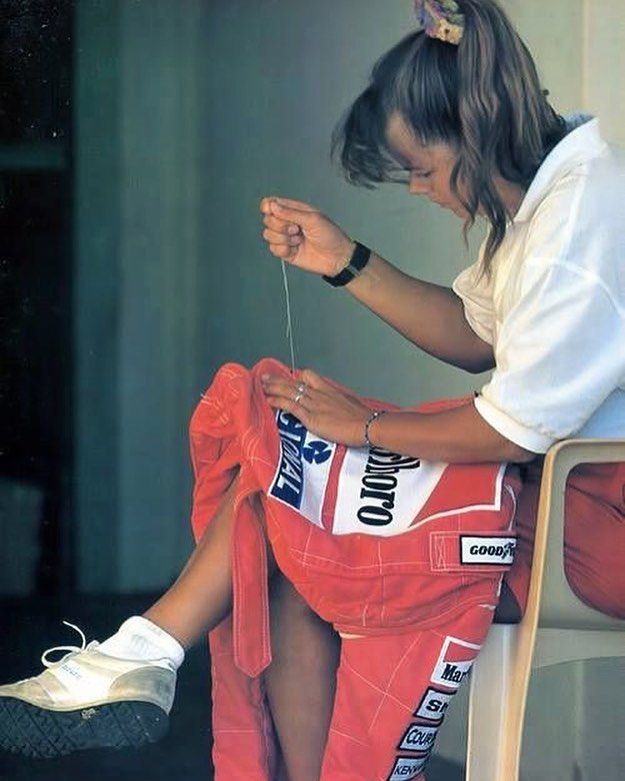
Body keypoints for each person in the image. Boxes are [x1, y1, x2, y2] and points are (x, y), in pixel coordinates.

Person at [2, 1, 624, 779]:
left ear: (473, 128)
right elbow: (477, 336)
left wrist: (363, 426)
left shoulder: (576, 224)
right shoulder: (549, 195)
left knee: (302, 489)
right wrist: (345, 260)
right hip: (555, 498)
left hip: (596, 528)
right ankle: (144, 653)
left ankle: (141, 650)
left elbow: (508, 430)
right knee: (293, 538)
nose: (420, 192)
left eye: (423, 170)